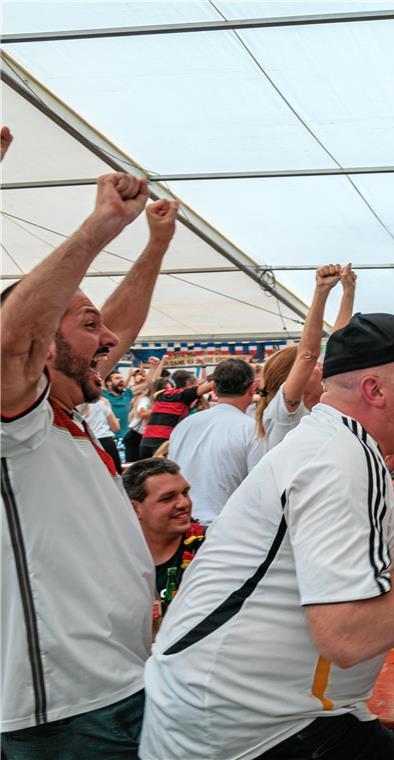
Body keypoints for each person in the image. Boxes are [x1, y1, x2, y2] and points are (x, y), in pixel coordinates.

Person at [140, 313, 394, 760]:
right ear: (375, 389)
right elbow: (346, 634)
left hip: (236, 712)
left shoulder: (337, 445)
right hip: (248, 727)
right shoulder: (338, 458)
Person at [1, 170, 174, 758]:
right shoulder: (18, 423)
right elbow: (12, 342)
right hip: (66, 708)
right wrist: (101, 228)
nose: (111, 338)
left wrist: (154, 248)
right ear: (43, 345)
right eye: (90, 324)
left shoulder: (67, 415)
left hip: (115, 685)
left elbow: (115, 323)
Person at [255, 263, 355, 451]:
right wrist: (321, 290)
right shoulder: (286, 413)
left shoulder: (317, 405)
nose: (320, 366)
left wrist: (348, 291)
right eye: (314, 365)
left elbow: (337, 345)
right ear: (293, 376)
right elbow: (307, 354)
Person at [167, 358, 263, 526]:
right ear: (251, 389)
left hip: (184, 522)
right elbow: (259, 487)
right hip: (227, 525)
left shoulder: (184, 425)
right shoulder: (251, 429)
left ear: (214, 389)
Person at [122, 458, 205, 598]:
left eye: (185, 493)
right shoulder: (116, 556)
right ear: (134, 509)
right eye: (168, 498)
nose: (184, 503)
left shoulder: (210, 547)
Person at [139, 370, 214, 459]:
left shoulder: (161, 394)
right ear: (189, 383)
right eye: (196, 383)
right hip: (163, 445)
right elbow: (213, 385)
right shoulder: (186, 394)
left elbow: (155, 386)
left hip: (146, 442)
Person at [83, 382, 122, 473]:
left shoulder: (76, 405)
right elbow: (116, 428)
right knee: (115, 473)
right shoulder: (102, 404)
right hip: (106, 441)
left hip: (87, 442)